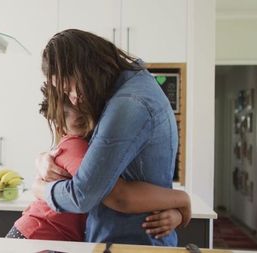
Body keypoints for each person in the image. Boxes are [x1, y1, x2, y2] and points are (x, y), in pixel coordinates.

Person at [32, 29, 181, 246]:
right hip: (133, 240)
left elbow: (83, 195)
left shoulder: (128, 105)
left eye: (70, 86)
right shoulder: (135, 86)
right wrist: (43, 158)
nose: (73, 98)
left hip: (130, 243)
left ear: (85, 68)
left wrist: (38, 188)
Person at [7, 90, 190, 241]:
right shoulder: (76, 146)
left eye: (80, 107)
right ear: (60, 126)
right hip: (38, 236)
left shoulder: (90, 147)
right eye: (67, 112)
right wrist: (181, 200)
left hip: (43, 236)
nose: (77, 113)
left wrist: (176, 214)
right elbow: (114, 194)